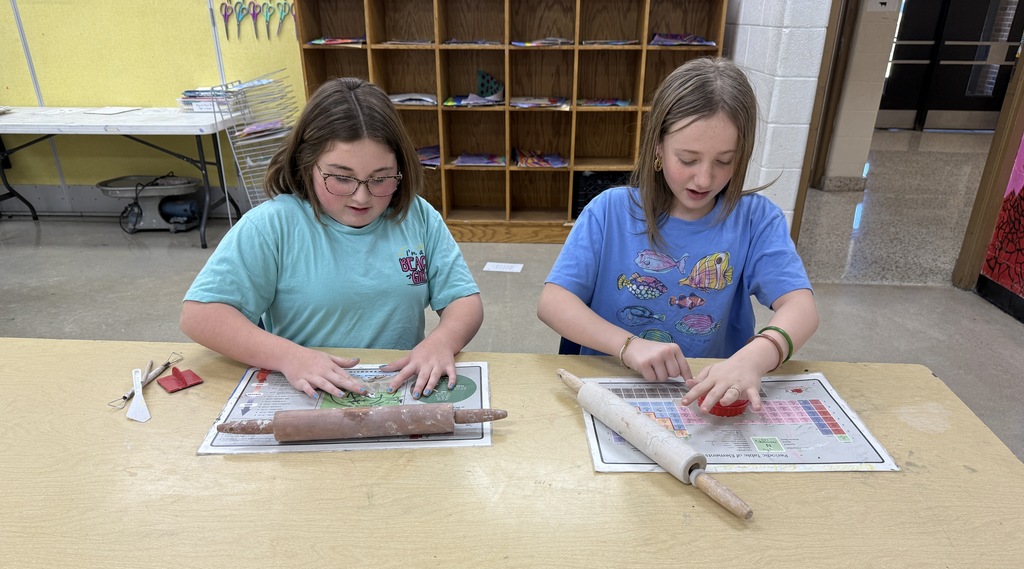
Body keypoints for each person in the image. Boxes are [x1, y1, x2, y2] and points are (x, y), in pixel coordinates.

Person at [537, 57, 818, 413]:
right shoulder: (609, 210)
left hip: (709, 394)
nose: (704, 179)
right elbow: (553, 302)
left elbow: (802, 308)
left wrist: (756, 357)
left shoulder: (758, 220)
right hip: (612, 385)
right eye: (687, 159)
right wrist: (628, 345)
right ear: (658, 147)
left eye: (724, 161)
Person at [181, 77, 483, 400]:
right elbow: (200, 315)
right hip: (307, 392)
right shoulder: (273, 225)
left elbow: (465, 301)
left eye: (381, 179)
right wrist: (290, 356)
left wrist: (441, 342)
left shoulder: (416, 216)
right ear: (306, 163)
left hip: (396, 391)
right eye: (341, 178)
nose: (362, 197)